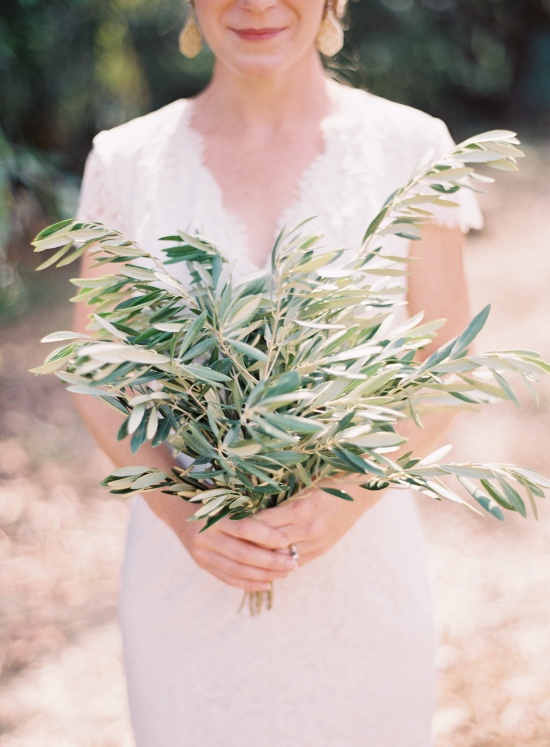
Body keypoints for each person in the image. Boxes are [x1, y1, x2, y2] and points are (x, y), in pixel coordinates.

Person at [75, 1, 483, 744]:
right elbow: (94, 373)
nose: (258, 4)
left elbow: (445, 362)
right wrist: (184, 515)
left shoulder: (412, 147)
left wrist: (347, 496)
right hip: (187, 586)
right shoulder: (126, 161)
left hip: (361, 581)